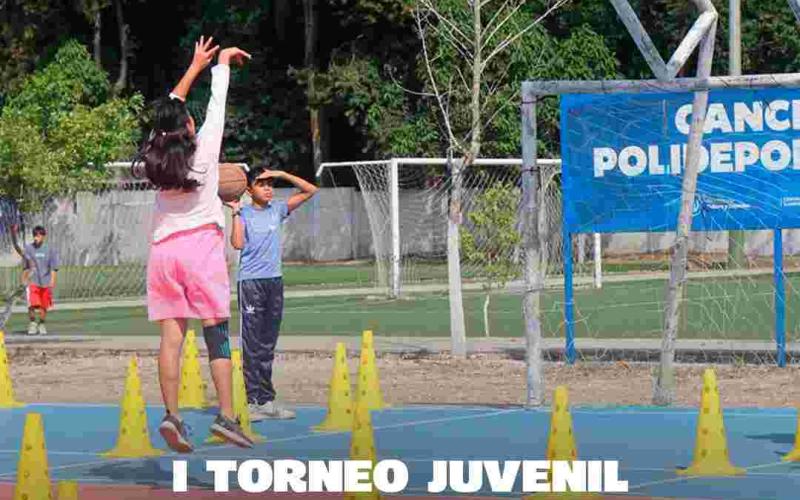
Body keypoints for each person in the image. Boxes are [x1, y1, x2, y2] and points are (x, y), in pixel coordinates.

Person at [136, 36, 253, 453]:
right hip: (201, 250)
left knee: (171, 339)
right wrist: (217, 63)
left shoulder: (155, 155)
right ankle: (225, 416)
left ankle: (172, 416)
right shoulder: (204, 148)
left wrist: (192, 68)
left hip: (164, 254)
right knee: (216, 333)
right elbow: (217, 103)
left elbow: (166, 113)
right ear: (188, 126)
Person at [226, 166, 318, 421]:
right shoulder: (242, 213)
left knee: (267, 345)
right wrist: (234, 214)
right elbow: (237, 244)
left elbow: (311, 190)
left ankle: (266, 401)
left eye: (270, 184)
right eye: (261, 183)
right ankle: (250, 402)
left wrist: (283, 174)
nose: (268, 188)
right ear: (249, 190)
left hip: (274, 283)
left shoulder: (277, 210)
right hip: (251, 285)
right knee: (253, 345)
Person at [12, 225, 58, 335]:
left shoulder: (50, 250)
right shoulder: (29, 248)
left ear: (43, 236)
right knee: (31, 305)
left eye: (38, 235)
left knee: (43, 306)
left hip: (45, 282)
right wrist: (23, 279)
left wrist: (52, 280)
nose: (36, 238)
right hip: (32, 282)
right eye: (34, 235)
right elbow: (23, 258)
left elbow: (53, 268)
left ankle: (41, 324)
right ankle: (32, 324)